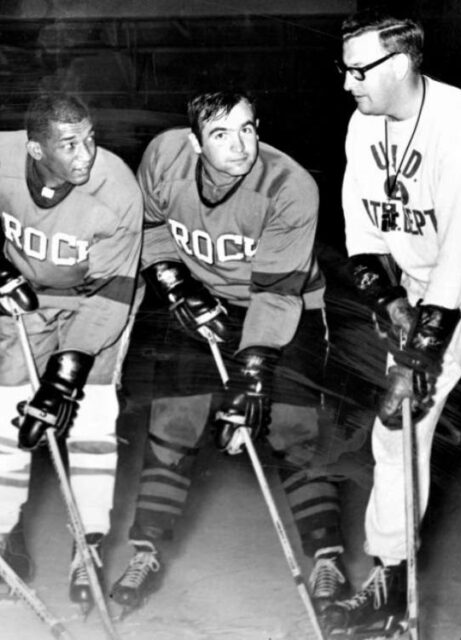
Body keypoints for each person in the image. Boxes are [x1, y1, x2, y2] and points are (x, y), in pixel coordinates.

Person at [323, 10, 461, 639]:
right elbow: (363, 234)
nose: (347, 83)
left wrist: (416, 361)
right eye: (343, 69)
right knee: (394, 431)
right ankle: (389, 581)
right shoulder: (364, 125)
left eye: (357, 70)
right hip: (428, 287)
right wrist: (387, 301)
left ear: (400, 65)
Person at [107, 90, 358, 619]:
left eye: (248, 129)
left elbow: (276, 293)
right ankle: (146, 553)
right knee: (174, 420)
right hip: (203, 299)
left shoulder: (290, 186)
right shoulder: (165, 157)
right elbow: (150, 225)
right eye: (221, 134)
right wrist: (174, 282)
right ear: (195, 142)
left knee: (293, 430)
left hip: (285, 304)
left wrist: (252, 373)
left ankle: (327, 561)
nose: (240, 145)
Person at [0, 92, 143, 613]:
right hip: (27, 297)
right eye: (69, 144)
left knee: (92, 415)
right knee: (1, 412)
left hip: (96, 299)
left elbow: (114, 293)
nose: (85, 154)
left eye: (90, 139)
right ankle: (1, 539)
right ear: (34, 149)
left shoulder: (117, 186)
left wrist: (66, 374)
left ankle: (89, 546)